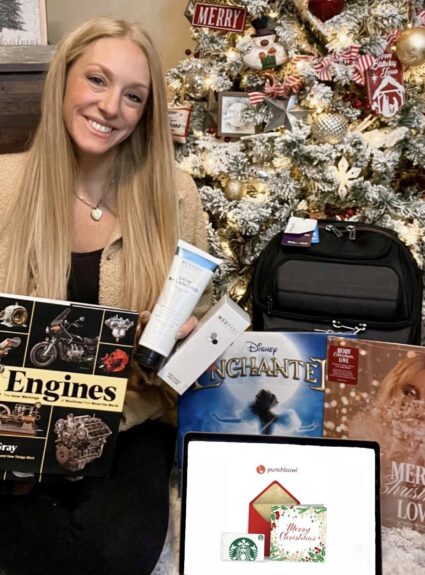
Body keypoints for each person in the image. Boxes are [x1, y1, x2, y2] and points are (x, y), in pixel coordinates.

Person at [0, 16, 210, 575]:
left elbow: (198, 345)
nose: (111, 106)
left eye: (133, 95)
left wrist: (181, 343)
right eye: (97, 80)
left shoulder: (175, 194)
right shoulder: (4, 185)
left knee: (119, 552)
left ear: (145, 110)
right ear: (64, 80)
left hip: (129, 425)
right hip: (15, 429)